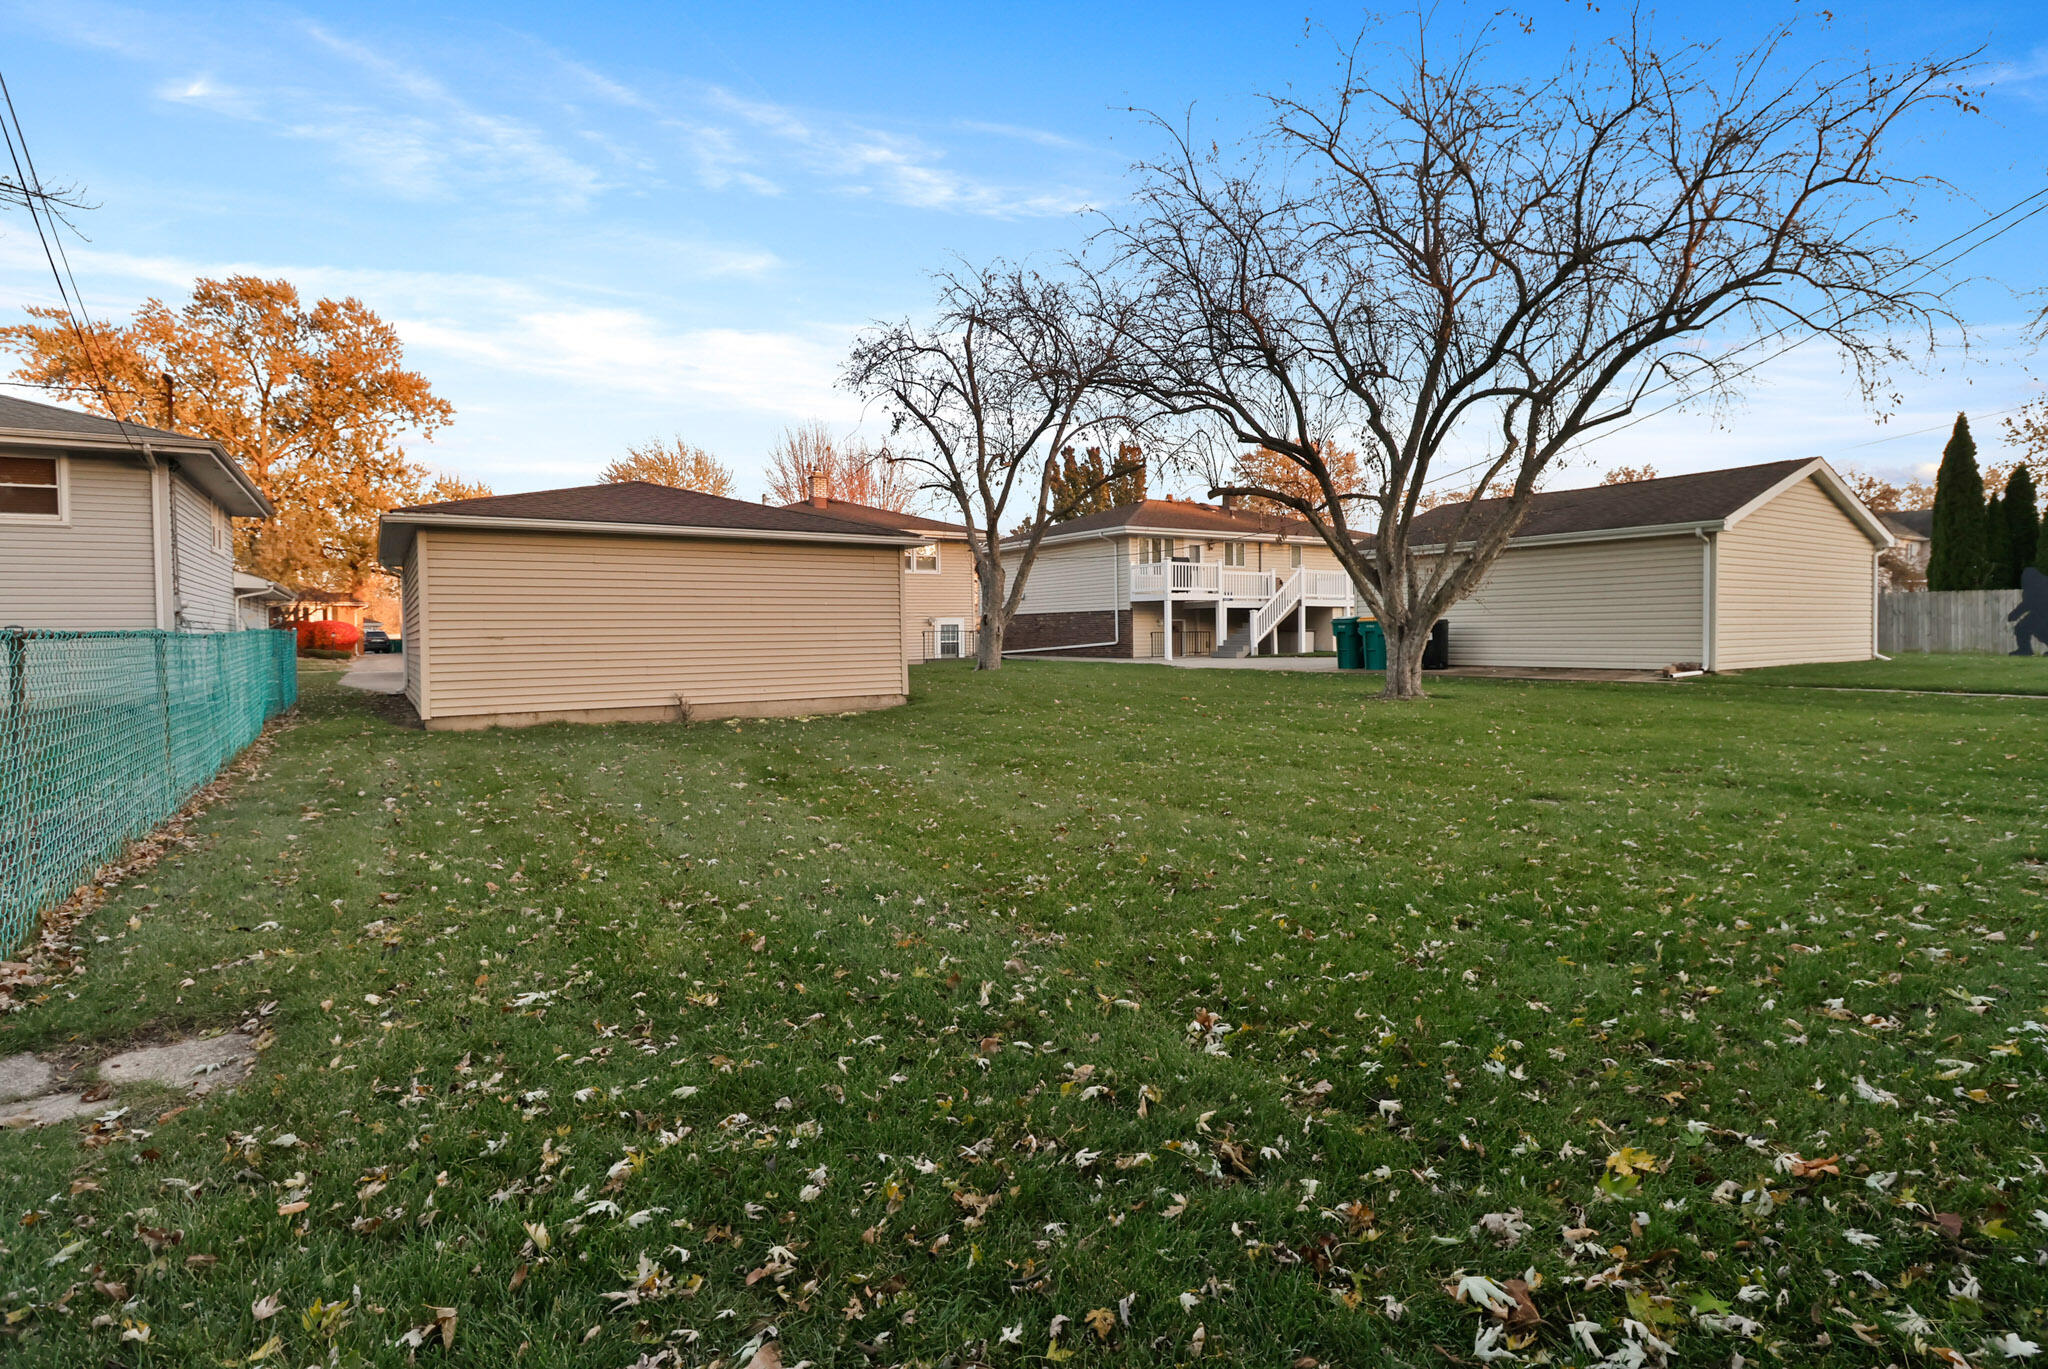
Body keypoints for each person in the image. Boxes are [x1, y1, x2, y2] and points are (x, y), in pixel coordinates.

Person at [2010, 566, 2048, 656]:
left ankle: (2025, 650)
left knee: (2025, 629)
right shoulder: (2038, 585)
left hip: (2042, 613)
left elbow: (2027, 604)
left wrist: (2014, 614)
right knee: (2022, 628)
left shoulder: (2033, 588)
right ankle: (2024, 650)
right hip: (2039, 613)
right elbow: (2028, 604)